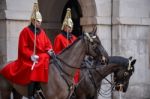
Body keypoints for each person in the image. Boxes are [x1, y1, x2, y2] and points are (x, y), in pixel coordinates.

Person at [0, 2, 54, 99]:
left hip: (41, 57)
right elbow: (22, 48)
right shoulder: (25, 31)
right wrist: (31, 55)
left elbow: (47, 44)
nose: (39, 23)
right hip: (28, 59)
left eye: (40, 21)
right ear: (33, 20)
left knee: (48, 63)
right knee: (33, 67)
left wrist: (49, 50)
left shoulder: (42, 32)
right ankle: (32, 94)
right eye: (37, 21)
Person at [53, 8, 80, 84]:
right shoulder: (59, 37)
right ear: (64, 27)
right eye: (68, 27)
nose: (70, 29)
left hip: (73, 62)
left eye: (71, 27)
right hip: (63, 62)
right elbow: (57, 52)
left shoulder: (74, 38)